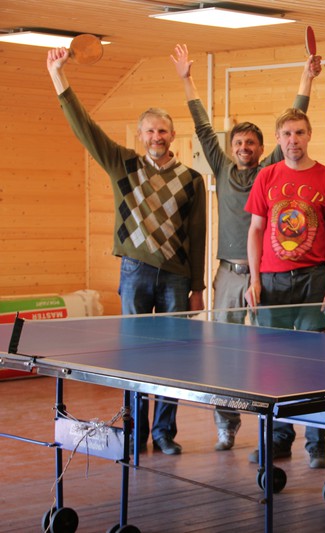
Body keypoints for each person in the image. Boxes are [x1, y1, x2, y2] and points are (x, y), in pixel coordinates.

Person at [46, 47, 206, 456]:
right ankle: (135, 433)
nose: (157, 137)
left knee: (172, 359)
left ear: (173, 135)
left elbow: (198, 235)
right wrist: (58, 76)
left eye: (163, 131)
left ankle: (164, 433)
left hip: (176, 278)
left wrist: (198, 287)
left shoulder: (191, 179)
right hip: (135, 271)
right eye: (150, 131)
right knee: (135, 359)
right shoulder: (123, 164)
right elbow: (85, 128)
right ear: (140, 135)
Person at [172, 44, 321, 452]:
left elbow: (294, 119)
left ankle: (272, 429)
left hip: (263, 277)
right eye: (238, 142)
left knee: (268, 355)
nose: (244, 148)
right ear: (231, 146)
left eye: (251, 143)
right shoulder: (221, 168)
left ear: (261, 148)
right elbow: (203, 127)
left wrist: (306, 78)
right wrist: (187, 79)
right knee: (225, 356)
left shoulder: (269, 171)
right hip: (227, 276)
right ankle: (226, 424)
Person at [244, 108, 325, 469]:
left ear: (309, 135)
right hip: (271, 283)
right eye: (287, 134)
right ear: (278, 138)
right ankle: (278, 439)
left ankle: (317, 443)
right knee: (273, 367)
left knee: (316, 368)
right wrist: (255, 280)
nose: (293, 140)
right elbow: (256, 229)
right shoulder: (266, 176)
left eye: (300, 133)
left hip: (314, 280)